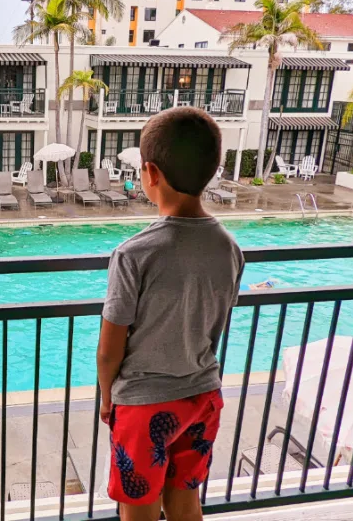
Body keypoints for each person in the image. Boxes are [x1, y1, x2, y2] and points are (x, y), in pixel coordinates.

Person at [97, 108, 244, 521]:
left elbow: (111, 348)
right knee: (184, 501)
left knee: (138, 509)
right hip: (202, 396)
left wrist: (108, 397)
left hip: (146, 405)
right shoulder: (229, 248)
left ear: (150, 173)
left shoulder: (134, 254)